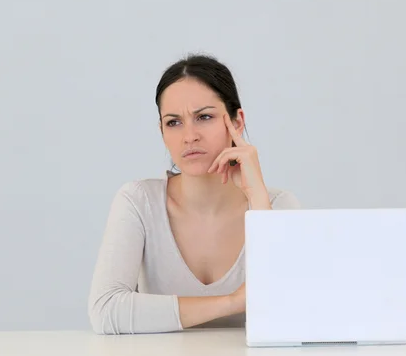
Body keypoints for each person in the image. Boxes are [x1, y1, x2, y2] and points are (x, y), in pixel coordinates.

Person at [87, 54, 301, 335]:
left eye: (204, 117)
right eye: (174, 122)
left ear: (237, 122)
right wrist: (233, 302)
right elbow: (106, 310)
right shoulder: (138, 202)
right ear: (162, 131)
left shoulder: (278, 206)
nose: (189, 136)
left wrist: (257, 200)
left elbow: (293, 311)